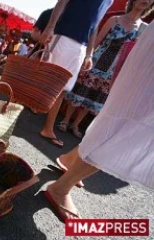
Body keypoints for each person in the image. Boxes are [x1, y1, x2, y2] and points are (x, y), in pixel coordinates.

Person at [45, 20, 154, 220]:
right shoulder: (116, 20)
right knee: (130, 128)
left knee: (126, 121)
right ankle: (60, 188)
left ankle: (70, 160)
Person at [58, 0, 154, 139]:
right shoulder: (114, 20)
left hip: (115, 69)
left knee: (95, 97)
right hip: (97, 61)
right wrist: (87, 58)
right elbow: (96, 41)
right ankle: (65, 120)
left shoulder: (144, 29)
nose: (145, 1)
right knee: (81, 90)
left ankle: (76, 124)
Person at [38, 0, 114, 147]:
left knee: (62, 88)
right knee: (45, 80)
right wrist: (50, 27)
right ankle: (16, 112)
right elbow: (62, 2)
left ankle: (47, 128)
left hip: (81, 47)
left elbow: (95, 25)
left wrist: (89, 54)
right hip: (63, 36)